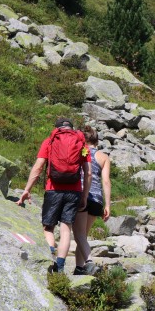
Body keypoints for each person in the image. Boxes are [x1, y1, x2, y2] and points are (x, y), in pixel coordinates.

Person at [16, 117, 92, 273]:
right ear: (72, 128)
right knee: (66, 230)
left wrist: (27, 189)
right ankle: (60, 267)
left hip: (53, 189)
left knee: (48, 227)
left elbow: (38, 167)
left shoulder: (50, 141)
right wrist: (84, 196)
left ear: (57, 128)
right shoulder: (80, 142)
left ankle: (48, 258)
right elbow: (88, 172)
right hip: (74, 191)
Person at [72, 126, 111, 276]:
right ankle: (79, 268)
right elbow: (106, 181)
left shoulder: (81, 151)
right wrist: (107, 204)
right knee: (83, 236)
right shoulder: (104, 157)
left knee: (79, 235)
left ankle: (89, 264)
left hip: (82, 195)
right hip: (97, 200)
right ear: (97, 140)